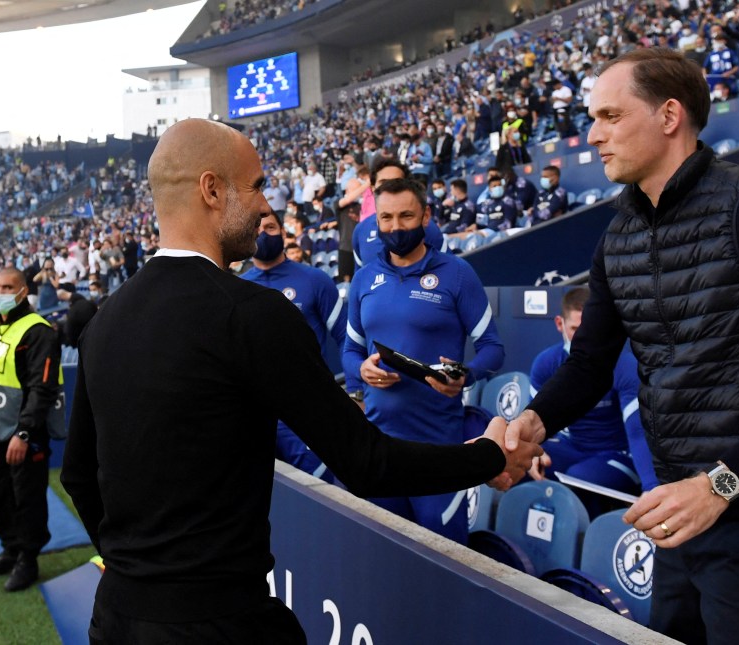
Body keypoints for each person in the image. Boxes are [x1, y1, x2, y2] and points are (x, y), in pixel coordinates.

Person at [60, 119, 540, 644]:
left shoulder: (105, 321)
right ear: (212, 190)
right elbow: (366, 462)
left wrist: (134, 570)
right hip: (222, 624)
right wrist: (489, 456)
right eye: (257, 184)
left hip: (116, 617)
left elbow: (80, 474)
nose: (267, 206)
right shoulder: (250, 313)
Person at [499, 49, 739, 644]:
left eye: (610, 116)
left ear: (669, 115)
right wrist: (529, 424)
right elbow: (590, 365)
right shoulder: (617, 234)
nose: (593, 136)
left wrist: (719, 485)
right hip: (678, 517)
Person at [343, 177, 505, 544]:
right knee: (386, 560)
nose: (395, 227)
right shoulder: (365, 278)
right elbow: (350, 352)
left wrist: (466, 375)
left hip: (440, 450)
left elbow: (493, 348)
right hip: (381, 448)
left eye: (406, 216)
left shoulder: (457, 274)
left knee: (444, 562)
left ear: (426, 215)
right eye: (386, 218)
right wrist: (360, 370)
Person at [0, 267, 64, 592]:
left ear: (23, 291)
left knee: (28, 498)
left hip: (24, 434)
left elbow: (43, 388)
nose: (1, 292)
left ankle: (28, 558)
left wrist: (24, 433)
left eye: (8, 286)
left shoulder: (39, 332)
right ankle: (10, 548)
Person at [528, 287, 658, 516]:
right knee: (519, 464)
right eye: (574, 329)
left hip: (617, 453)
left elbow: (638, 432)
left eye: (587, 329)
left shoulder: (624, 366)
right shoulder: (546, 363)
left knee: (580, 478)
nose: (581, 338)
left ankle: (588, 543)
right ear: (560, 324)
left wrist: (651, 488)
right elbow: (533, 422)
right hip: (573, 448)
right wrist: (532, 451)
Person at [241, 209, 346, 481]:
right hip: (255, 416)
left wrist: (356, 394)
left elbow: (347, 338)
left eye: (271, 228)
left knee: (324, 493)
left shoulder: (314, 280)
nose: (264, 234)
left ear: (284, 233)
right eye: (257, 227)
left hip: (307, 411)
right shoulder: (236, 287)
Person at [350, 159, 446, 269]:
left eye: (397, 182)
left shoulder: (427, 227)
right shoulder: (361, 230)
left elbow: (448, 271)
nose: (390, 188)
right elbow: (361, 279)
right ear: (372, 188)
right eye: (384, 183)